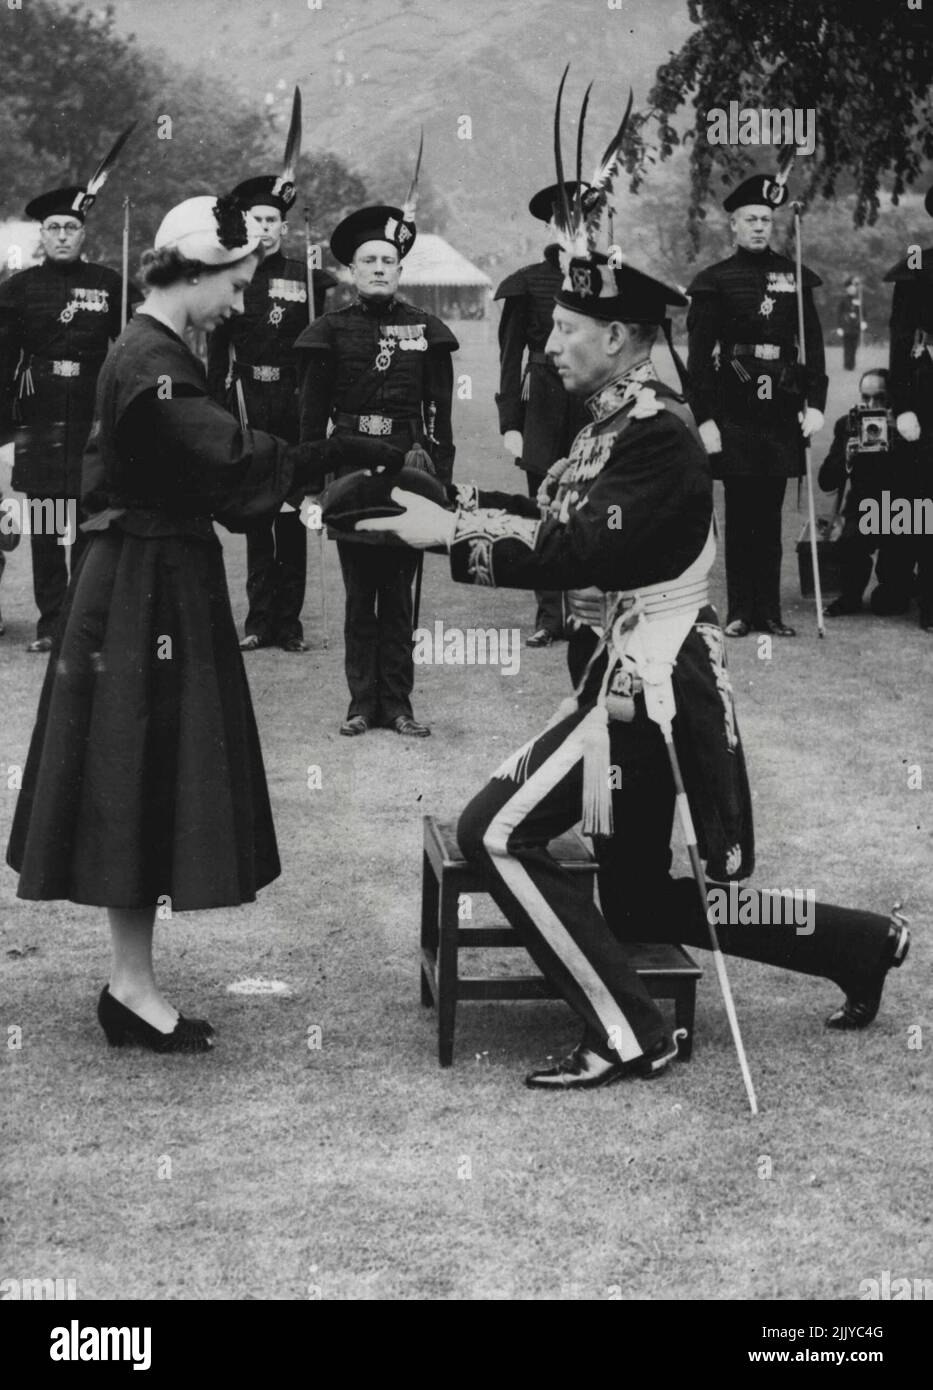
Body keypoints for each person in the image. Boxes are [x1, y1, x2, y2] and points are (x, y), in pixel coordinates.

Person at [360, 251, 909, 1091]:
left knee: (496, 833)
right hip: (626, 671)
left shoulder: (654, 433)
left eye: (566, 330)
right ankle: (857, 942)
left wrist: (448, 538)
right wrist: (446, 501)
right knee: (642, 901)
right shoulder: (612, 423)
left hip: (647, 685)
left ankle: (627, 1036)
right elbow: (552, 512)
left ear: (616, 338)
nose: (548, 345)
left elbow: (579, 548)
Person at [4, 195, 384, 1054]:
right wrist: (347, 454)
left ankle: (130, 985)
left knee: (139, 770)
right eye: (237, 285)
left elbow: (223, 468)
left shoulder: (154, 348)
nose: (243, 304)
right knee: (135, 768)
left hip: (151, 573)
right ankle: (130, 988)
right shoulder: (153, 360)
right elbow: (235, 464)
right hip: (145, 581)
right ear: (195, 272)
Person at [295, 196, 458, 737]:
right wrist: (310, 491)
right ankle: (361, 703)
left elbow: (440, 416)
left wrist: (443, 483)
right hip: (349, 474)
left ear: (401, 270)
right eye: (369, 261)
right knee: (359, 590)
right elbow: (311, 422)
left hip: (408, 473)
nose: (380, 269)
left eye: (388, 261)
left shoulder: (425, 330)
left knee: (399, 590)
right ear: (351, 271)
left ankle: (400, 704)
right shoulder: (330, 331)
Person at [0, 133, 140, 652]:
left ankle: (85, 623)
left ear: (84, 233)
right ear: (42, 234)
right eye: (54, 228)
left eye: (72, 228)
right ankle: (49, 622)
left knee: (86, 523)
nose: (63, 236)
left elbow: (132, 349)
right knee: (44, 521)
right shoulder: (16, 290)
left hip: (90, 412)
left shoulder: (110, 285)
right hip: (38, 417)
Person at [687, 172, 827, 638]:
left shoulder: (794, 273)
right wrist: (705, 419)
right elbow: (698, 362)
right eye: (750, 219)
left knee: (771, 516)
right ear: (733, 224)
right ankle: (740, 611)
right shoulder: (715, 282)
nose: (760, 227)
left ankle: (770, 612)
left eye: (766, 219)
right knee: (742, 511)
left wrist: (815, 403)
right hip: (736, 407)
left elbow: (813, 348)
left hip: (781, 407)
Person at [207, 167, 336, 653]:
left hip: (295, 402)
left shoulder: (307, 277)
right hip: (247, 402)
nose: (264, 227)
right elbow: (217, 354)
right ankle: (259, 620)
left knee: (295, 511)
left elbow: (322, 350)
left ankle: (291, 623)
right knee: (259, 513)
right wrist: (218, 412)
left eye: (272, 219)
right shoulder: (232, 277)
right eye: (256, 218)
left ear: (285, 227)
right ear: (245, 222)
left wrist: (318, 407)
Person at [493, 182, 589, 648]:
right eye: (568, 221)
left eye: (584, 220)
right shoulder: (528, 282)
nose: (577, 230)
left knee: (593, 507)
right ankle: (550, 616)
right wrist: (510, 423)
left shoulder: (607, 279)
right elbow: (510, 359)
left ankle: (589, 613)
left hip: (593, 409)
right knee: (545, 510)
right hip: (542, 409)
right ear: (552, 227)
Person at [819, 368, 916, 617]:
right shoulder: (848, 424)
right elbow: (826, 481)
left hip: (901, 512)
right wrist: (847, 458)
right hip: (863, 509)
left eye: (880, 399)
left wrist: (902, 440)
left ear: (894, 398)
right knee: (850, 542)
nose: (871, 405)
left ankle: (901, 585)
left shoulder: (907, 426)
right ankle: (850, 595)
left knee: (890, 604)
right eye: (866, 398)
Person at [883, 185, 933, 633]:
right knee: (923, 498)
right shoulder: (917, 268)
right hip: (925, 394)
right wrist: (903, 407)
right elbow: (901, 342)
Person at [836, 277, 866, 371]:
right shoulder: (843, 301)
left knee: (854, 347)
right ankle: (847, 365)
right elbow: (839, 314)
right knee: (847, 347)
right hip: (846, 327)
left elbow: (863, 312)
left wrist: (863, 321)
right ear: (847, 289)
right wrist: (839, 327)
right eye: (850, 289)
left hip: (855, 327)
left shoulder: (859, 300)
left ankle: (852, 365)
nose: (852, 290)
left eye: (854, 289)